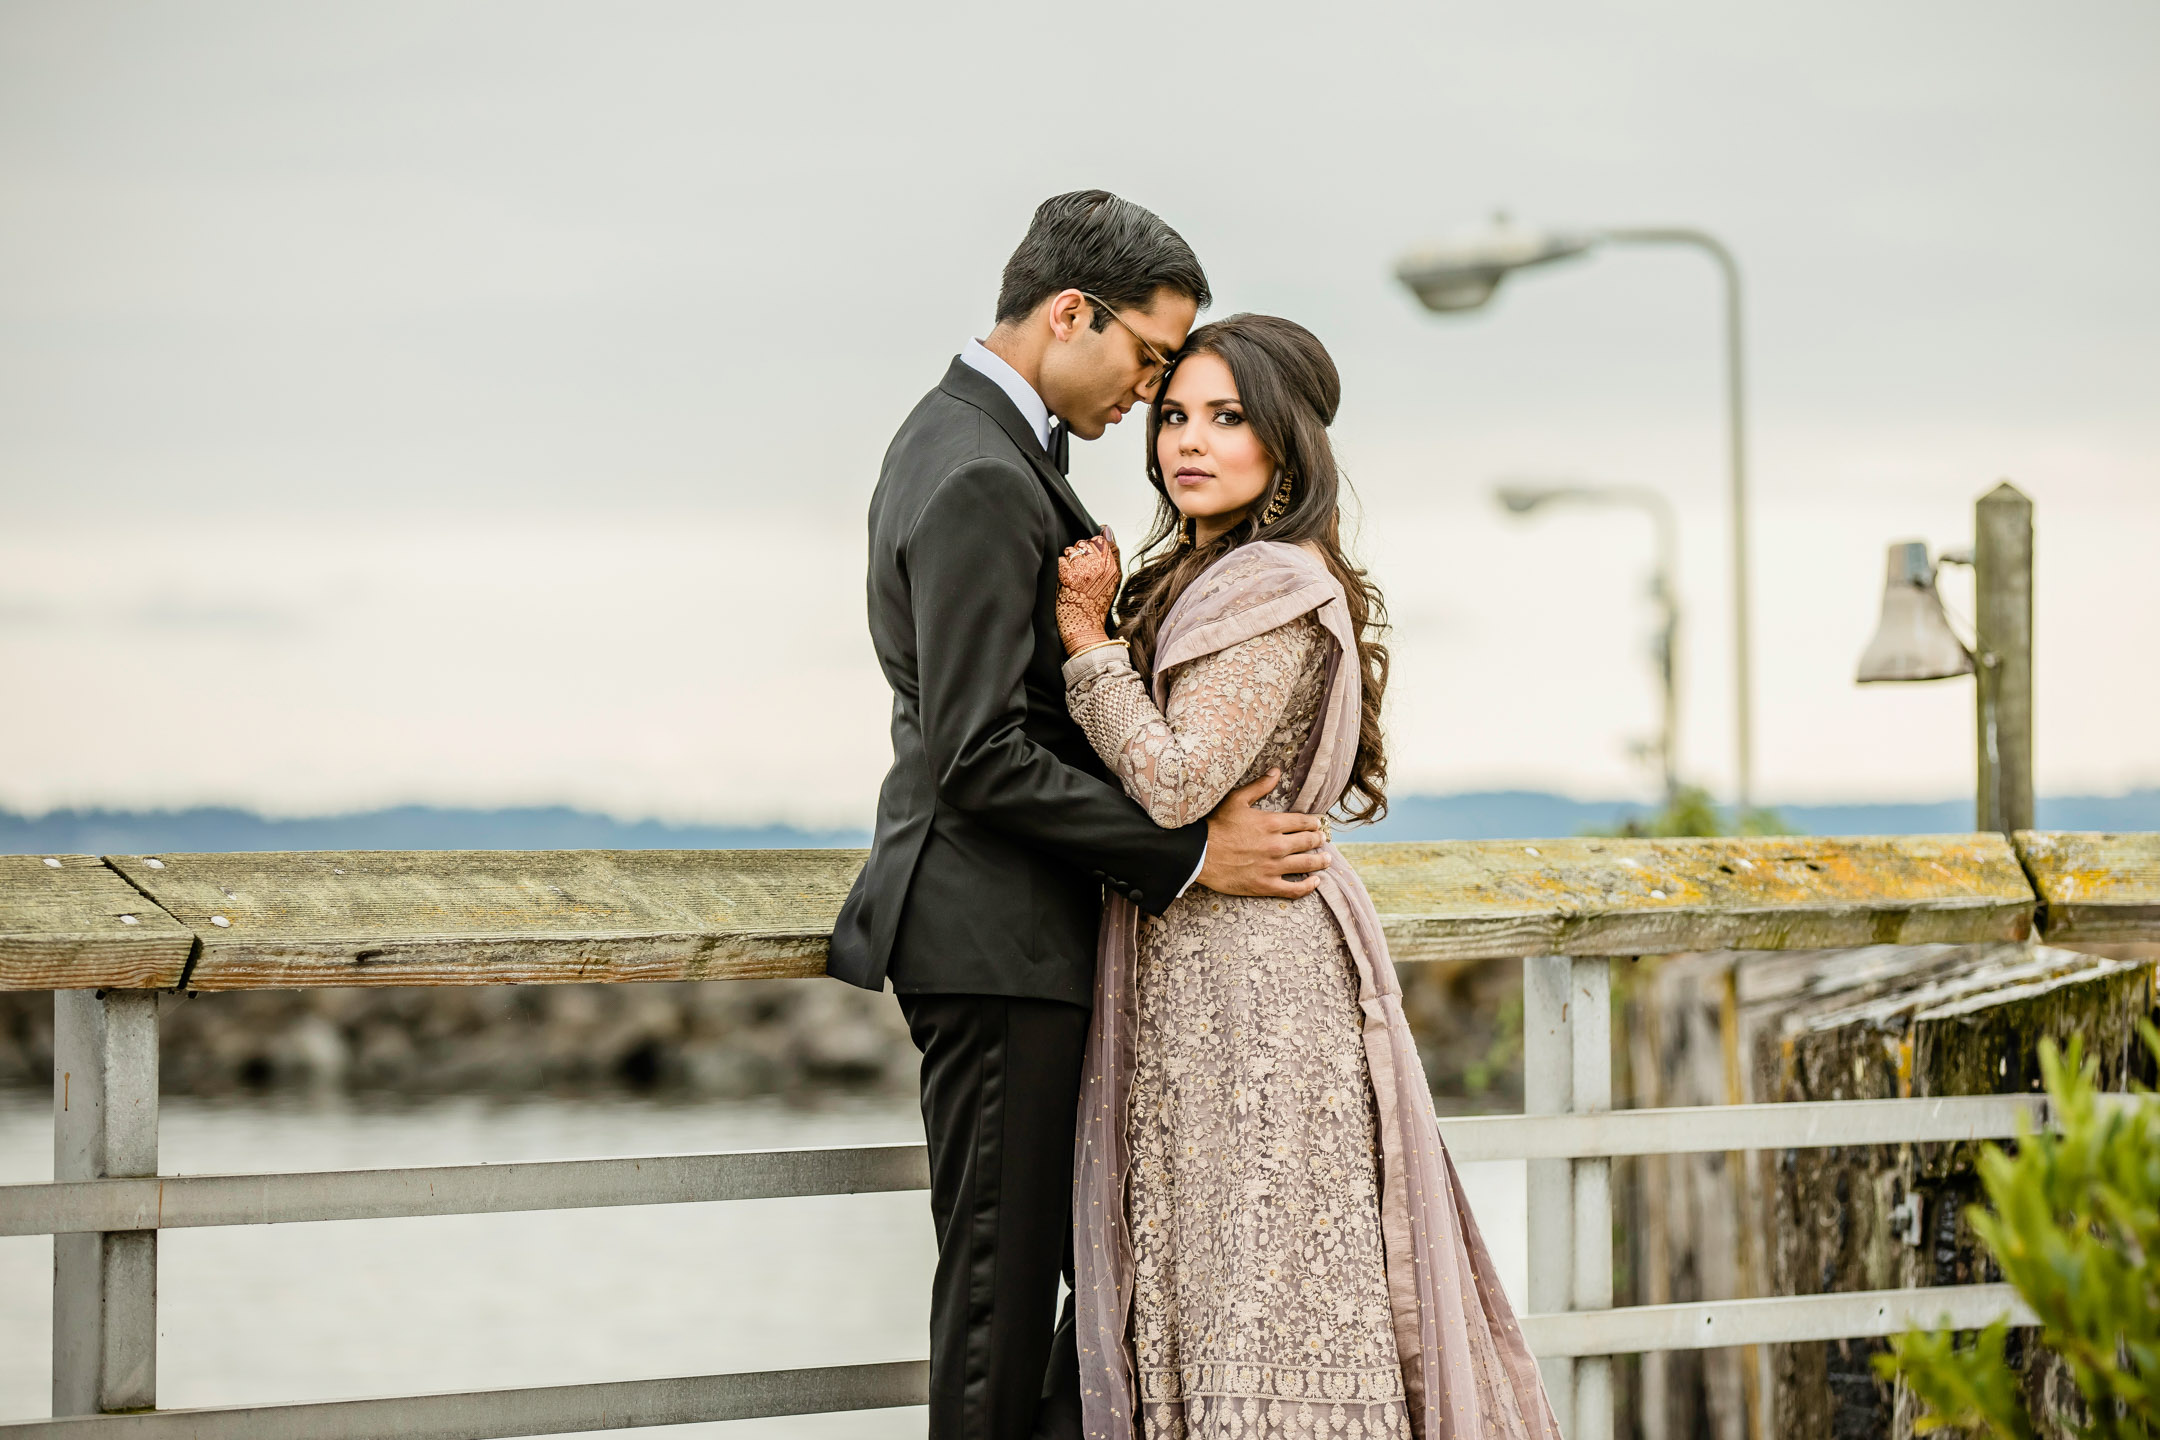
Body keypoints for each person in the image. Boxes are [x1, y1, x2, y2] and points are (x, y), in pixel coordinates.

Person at [828, 193, 1334, 1440]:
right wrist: (1189, 853)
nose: (1151, 399)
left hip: (1019, 935)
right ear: (1071, 313)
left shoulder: (985, 450)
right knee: (1004, 1297)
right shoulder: (975, 469)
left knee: (1076, 1277)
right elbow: (978, 753)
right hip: (991, 937)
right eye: (1152, 360)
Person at [1054, 314, 1560, 1440]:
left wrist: (1087, 643)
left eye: (1227, 419)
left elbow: (1178, 781)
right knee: (1225, 1267)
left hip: (1255, 989)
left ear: (1285, 445)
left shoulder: (1268, 584)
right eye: (1174, 415)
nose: (1189, 441)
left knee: (1265, 1277)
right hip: (1212, 962)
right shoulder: (1212, 572)